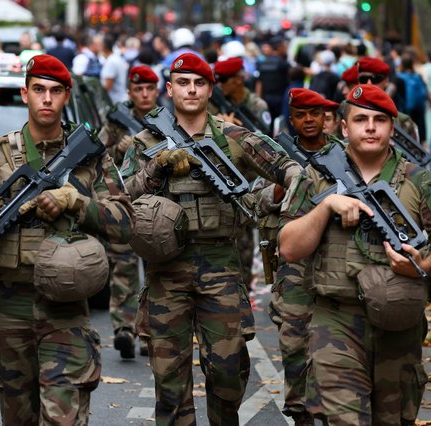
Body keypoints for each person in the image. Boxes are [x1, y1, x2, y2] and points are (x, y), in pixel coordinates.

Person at [0, 54, 134, 424]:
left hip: (67, 309)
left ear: (66, 96)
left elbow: (124, 222)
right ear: (25, 94)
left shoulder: (90, 157)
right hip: (9, 308)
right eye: (38, 90)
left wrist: (76, 202)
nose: (46, 99)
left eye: (55, 91)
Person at [120, 53, 300, 425]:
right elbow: (121, 198)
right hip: (165, 271)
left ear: (209, 89)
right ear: (169, 89)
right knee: (169, 380)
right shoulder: (143, 142)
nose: (190, 90)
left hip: (220, 265)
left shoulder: (232, 138)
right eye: (182, 83)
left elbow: (287, 167)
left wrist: (281, 195)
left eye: (198, 83)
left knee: (228, 373)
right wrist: (157, 167)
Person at [279, 84, 431, 425]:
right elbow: (289, 247)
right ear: (343, 127)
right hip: (336, 323)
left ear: (392, 128)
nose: (370, 127)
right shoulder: (316, 177)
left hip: (400, 326)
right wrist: (326, 208)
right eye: (361, 119)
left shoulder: (419, 182)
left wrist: (422, 265)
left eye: (379, 120)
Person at [255, 88, 342, 426]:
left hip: (335, 257)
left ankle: (329, 407)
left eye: (315, 114)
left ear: (325, 118)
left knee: (332, 340)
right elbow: (251, 199)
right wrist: (278, 190)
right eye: (302, 115)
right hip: (292, 264)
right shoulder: (278, 157)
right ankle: (298, 407)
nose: (309, 120)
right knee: (293, 339)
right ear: (291, 120)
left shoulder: (342, 156)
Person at [97, 65, 160, 358]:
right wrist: (117, 150)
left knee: (155, 271)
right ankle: (124, 329)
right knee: (122, 265)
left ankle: (149, 332)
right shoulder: (116, 124)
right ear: (130, 92)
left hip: (157, 205)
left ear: (157, 91)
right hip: (122, 202)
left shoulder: (166, 122)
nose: (144, 94)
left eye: (149, 89)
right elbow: (94, 157)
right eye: (138, 89)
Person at [209, 55, 272, 289]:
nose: (219, 84)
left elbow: (264, 143)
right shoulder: (214, 103)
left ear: (238, 80)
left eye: (223, 79)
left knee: (246, 244)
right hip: (223, 178)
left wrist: (235, 130)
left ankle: (244, 288)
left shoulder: (257, 106)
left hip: (249, 181)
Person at [357, 56, 420, 142]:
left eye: (375, 79)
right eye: (363, 79)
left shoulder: (402, 121)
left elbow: (413, 153)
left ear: (386, 81)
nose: (369, 83)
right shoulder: (345, 112)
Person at [100, 35, 129, 103]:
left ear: (104, 46)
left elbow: (107, 86)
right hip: (120, 100)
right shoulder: (116, 58)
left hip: (115, 102)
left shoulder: (111, 62)